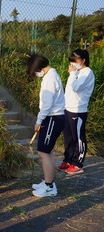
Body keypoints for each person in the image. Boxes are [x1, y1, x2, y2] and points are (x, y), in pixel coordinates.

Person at [26, 54, 65, 197]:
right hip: (54, 117)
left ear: (38, 68)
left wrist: (39, 120)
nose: (35, 74)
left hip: (52, 118)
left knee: (43, 152)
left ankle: (49, 187)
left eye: (34, 71)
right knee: (47, 152)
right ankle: (49, 182)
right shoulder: (51, 75)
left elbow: (47, 104)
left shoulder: (50, 78)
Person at [58, 49, 95, 174]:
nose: (73, 63)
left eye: (75, 61)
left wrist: (72, 74)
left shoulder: (87, 73)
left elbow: (76, 87)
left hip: (78, 110)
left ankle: (77, 163)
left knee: (78, 137)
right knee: (68, 137)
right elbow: (68, 91)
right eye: (71, 61)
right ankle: (68, 159)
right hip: (68, 109)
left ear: (83, 60)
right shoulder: (76, 72)